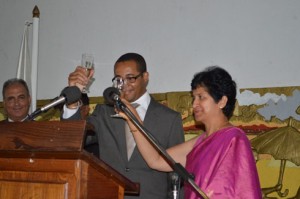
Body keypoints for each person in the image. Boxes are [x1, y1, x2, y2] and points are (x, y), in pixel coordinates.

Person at [120, 66, 262, 199]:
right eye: (194, 97)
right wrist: (133, 119)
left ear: (222, 101)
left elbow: (235, 191)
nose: (194, 104)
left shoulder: (234, 139)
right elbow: (155, 161)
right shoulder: (200, 142)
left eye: (201, 97)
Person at [62, 53, 185, 199]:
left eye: (130, 78)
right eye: (118, 79)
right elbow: (73, 140)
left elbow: (177, 175)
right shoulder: (104, 113)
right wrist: (72, 99)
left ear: (145, 77)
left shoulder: (169, 118)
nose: (124, 85)